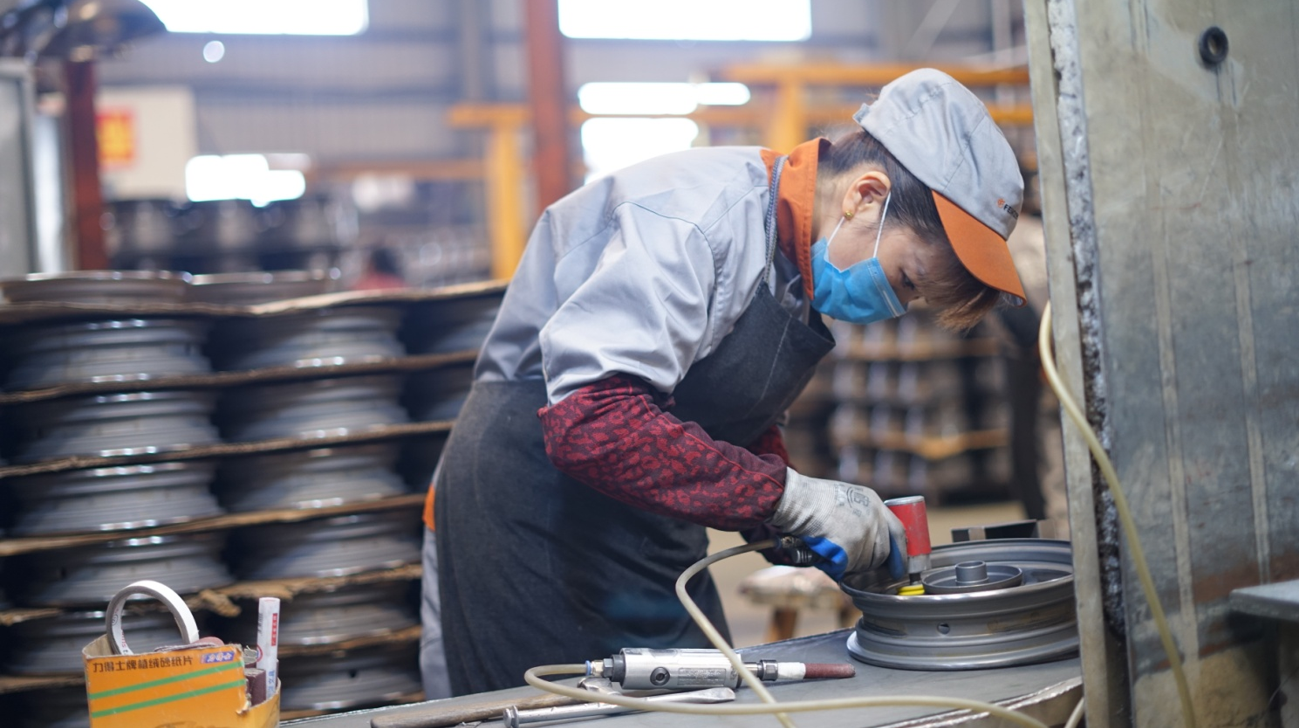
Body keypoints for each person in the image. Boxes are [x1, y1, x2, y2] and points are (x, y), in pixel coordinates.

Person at [420, 68, 1028, 696]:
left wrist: (806, 528)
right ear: (865, 196)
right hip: (535, 509)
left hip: (647, 523)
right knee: (561, 710)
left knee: (705, 702)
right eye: (907, 279)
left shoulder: (792, 270)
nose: (896, 308)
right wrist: (788, 497)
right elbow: (593, 422)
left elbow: (729, 423)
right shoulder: (696, 222)